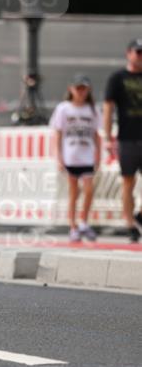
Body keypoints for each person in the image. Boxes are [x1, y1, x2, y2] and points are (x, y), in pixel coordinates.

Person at [50, 75, 101, 242]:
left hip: (86, 156)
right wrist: (59, 157)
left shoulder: (92, 109)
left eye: (83, 89)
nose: (80, 92)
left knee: (88, 190)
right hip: (70, 155)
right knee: (73, 192)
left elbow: (96, 134)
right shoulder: (64, 108)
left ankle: (84, 222)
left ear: (88, 90)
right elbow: (58, 133)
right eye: (77, 88)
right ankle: (73, 226)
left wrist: (98, 155)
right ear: (70, 89)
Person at [103, 38, 142, 242]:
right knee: (128, 181)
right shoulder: (118, 78)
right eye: (137, 52)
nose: (139, 56)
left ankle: (139, 215)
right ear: (128, 53)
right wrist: (108, 137)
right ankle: (129, 223)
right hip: (127, 136)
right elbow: (108, 108)